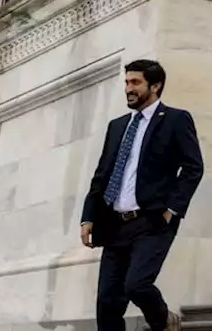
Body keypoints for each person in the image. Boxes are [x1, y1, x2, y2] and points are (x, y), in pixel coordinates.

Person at [81, 59, 204, 331]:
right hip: (114, 224)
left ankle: (164, 321)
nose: (128, 88)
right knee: (107, 302)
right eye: (126, 82)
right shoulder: (117, 126)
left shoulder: (175, 119)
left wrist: (172, 209)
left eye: (135, 82)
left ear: (155, 86)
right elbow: (102, 174)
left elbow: (194, 168)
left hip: (152, 221)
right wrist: (88, 217)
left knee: (137, 284)